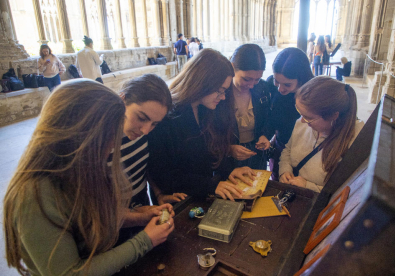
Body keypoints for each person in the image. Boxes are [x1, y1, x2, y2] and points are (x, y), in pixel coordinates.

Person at [3, 79, 174, 276]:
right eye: (107, 136)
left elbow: (93, 219)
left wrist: (138, 218)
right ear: (79, 133)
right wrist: (144, 241)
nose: (112, 145)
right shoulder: (34, 195)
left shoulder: (83, 169)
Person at [148, 49, 255, 201]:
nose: (223, 97)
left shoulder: (206, 109)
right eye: (219, 91)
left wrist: (229, 171)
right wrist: (211, 185)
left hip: (200, 196)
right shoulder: (167, 116)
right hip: (178, 201)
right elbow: (163, 174)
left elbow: (210, 151)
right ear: (202, 83)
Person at [108, 75, 186, 238]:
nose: (145, 130)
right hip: (110, 224)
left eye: (154, 124)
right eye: (141, 118)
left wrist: (158, 195)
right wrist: (135, 214)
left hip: (140, 207)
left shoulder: (144, 132)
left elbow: (144, 167)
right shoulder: (103, 142)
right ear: (123, 99)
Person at [279, 76, 364, 192]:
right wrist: (285, 170)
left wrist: (307, 186)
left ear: (333, 116)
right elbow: (288, 149)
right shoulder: (304, 122)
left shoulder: (355, 145)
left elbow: (344, 194)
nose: (302, 121)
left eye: (308, 117)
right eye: (299, 112)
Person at [266, 47, 314, 180]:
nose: (280, 88)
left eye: (287, 84)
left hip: (305, 152)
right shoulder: (271, 85)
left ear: (302, 78)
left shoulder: (314, 93)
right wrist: (266, 135)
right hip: (280, 147)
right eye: (277, 81)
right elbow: (270, 117)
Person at [229, 44, 273, 170]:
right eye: (247, 79)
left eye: (257, 79)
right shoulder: (221, 92)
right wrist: (228, 149)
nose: (252, 85)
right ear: (232, 68)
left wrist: (265, 135)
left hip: (256, 154)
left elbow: (268, 118)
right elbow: (212, 130)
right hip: (228, 159)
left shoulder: (263, 88)